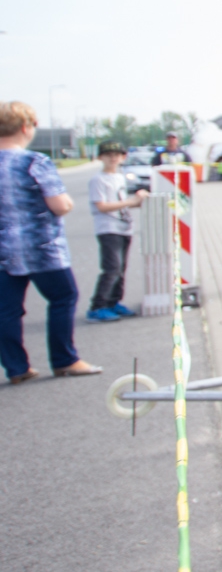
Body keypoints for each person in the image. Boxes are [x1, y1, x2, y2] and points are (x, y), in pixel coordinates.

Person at [0, 101, 101, 382]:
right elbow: (59, 205)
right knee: (63, 297)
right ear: (26, 127)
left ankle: (17, 367)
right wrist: (67, 202)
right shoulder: (34, 161)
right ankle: (64, 359)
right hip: (41, 247)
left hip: (4, 251)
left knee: (6, 310)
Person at [87, 142, 148, 322]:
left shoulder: (119, 178)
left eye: (117, 155)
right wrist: (131, 201)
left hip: (124, 228)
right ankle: (97, 306)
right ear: (100, 157)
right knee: (111, 268)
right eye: (108, 155)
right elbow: (102, 206)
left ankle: (114, 301)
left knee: (121, 268)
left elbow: (122, 202)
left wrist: (140, 200)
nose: (113, 158)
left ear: (123, 157)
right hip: (108, 229)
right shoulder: (99, 180)